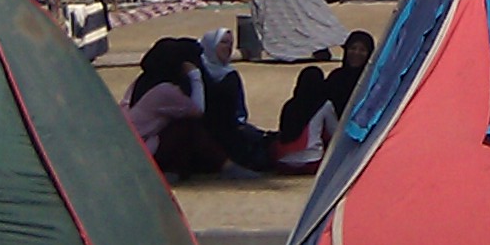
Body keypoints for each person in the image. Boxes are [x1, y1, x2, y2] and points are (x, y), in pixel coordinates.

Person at [123, 37, 226, 177]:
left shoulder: (143, 81)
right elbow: (198, 111)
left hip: (130, 145)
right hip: (142, 149)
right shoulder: (165, 90)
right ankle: (225, 166)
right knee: (188, 127)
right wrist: (195, 76)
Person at [197, 26, 271, 170]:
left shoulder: (230, 73)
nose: (228, 48)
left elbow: (240, 110)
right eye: (223, 43)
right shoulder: (197, 73)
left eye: (231, 44)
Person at [272, 66, 339, 172]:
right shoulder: (325, 105)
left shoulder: (289, 105)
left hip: (284, 162)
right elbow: (335, 133)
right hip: (312, 161)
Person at [323, 29, 375, 121]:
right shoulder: (336, 77)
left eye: (362, 50)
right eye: (352, 48)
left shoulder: (372, 80)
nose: (356, 53)